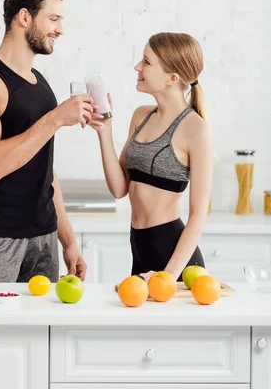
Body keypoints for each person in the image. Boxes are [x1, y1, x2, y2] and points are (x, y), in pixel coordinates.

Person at [0, 0, 92, 283]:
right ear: (24, 16)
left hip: (44, 236)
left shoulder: (39, 81)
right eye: (52, 19)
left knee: (42, 331)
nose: (60, 29)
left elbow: (46, 171)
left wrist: (67, 240)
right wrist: (56, 118)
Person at [88, 32, 212, 281]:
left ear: (172, 78)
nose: (138, 67)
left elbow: (198, 215)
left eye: (146, 62)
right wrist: (105, 131)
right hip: (139, 246)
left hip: (173, 256)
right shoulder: (141, 116)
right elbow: (119, 188)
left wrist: (167, 277)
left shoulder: (195, 129)